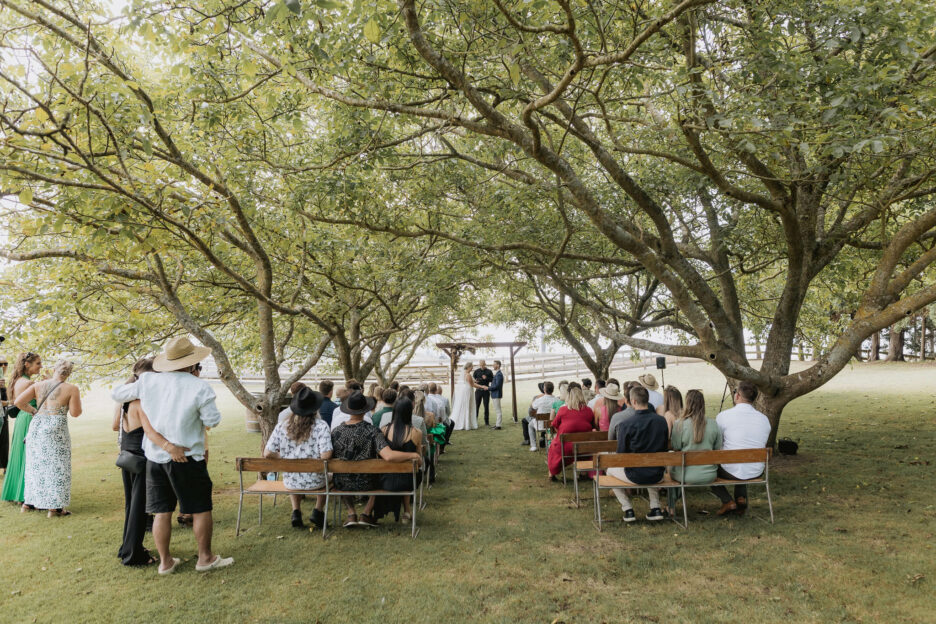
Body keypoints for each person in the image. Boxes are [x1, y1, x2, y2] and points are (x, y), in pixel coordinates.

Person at [111, 336, 232, 575]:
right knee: (200, 508)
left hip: (156, 457)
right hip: (188, 457)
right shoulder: (199, 387)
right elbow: (212, 421)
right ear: (191, 363)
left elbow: (117, 394)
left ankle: (166, 562)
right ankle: (205, 558)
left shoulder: (148, 381)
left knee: (161, 511)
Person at [330, 391, 421, 527]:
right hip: (368, 482)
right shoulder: (373, 431)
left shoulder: (336, 431)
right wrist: (413, 455)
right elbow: (388, 456)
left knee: (342, 474)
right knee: (380, 476)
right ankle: (366, 513)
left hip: (342, 483)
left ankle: (351, 513)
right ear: (365, 410)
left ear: (349, 410)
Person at [15, 359, 82, 517]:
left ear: (54, 369)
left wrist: (34, 411)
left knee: (35, 466)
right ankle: (55, 509)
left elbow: (18, 402)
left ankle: (28, 504)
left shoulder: (38, 385)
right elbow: (75, 413)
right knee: (58, 467)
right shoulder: (71, 389)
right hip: (56, 429)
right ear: (69, 373)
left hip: (37, 426)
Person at [263, 386, 333, 529]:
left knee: (292, 474)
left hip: (291, 482)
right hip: (316, 481)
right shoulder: (321, 426)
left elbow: (268, 453)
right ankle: (318, 510)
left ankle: (296, 511)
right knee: (329, 475)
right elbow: (326, 455)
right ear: (315, 409)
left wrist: (284, 456)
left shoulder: (281, 426)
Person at [113, 357, 157, 566]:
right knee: (139, 508)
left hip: (126, 454)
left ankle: (127, 547)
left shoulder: (124, 402)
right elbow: (150, 430)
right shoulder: (140, 403)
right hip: (141, 457)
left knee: (131, 505)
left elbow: (116, 426)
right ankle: (133, 555)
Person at [608, 386, 669, 522]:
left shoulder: (626, 424)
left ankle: (627, 508)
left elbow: (621, 454)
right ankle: (655, 507)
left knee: (609, 471)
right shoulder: (661, 421)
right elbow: (664, 447)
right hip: (657, 474)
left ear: (633, 401)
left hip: (635, 475)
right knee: (651, 465)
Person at [710, 381, 771, 516]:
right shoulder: (764, 419)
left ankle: (727, 501)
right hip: (757, 469)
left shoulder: (723, 416)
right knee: (741, 461)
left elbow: (718, 443)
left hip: (731, 468)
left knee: (708, 470)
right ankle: (740, 497)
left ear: (737, 396)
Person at [666, 389, 722, 516]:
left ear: (687, 404)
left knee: (671, 468)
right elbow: (718, 448)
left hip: (685, 474)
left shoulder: (679, 424)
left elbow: (675, 447)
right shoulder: (714, 424)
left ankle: (671, 507)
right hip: (709, 474)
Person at [1, 351, 42, 506]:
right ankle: (26, 494)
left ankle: (17, 493)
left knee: (19, 455)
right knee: (29, 456)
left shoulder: (18, 380)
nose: (41, 366)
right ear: (27, 364)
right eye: (38, 363)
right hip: (28, 418)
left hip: (20, 419)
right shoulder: (28, 383)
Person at [375, 398, 423, 522]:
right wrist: (415, 456)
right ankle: (407, 511)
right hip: (407, 481)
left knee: (405, 472)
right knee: (411, 472)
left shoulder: (384, 430)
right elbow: (419, 461)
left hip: (385, 479)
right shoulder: (416, 433)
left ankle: (405, 510)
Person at [547, 386, 595, 478]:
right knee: (583, 446)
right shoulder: (588, 410)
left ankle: (552, 473)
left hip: (565, 447)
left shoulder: (563, 410)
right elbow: (592, 426)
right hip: (583, 447)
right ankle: (583, 472)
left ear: (569, 397)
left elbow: (555, 424)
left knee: (554, 448)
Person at [452, 362, 485, 431]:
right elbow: (472, 385)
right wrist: (482, 386)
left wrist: (476, 382)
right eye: (472, 367)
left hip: (465, 390)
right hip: (468, 391)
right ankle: (466, 424)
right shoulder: (468, 375)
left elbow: (471, 382)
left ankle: (464, 422)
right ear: (469, 367)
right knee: (468, 406)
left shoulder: (464, 373)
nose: (472, 368)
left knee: (465, 406)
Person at [527, 381, 555, 452]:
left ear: (544, 390)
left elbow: (532, 406)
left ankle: (533, 446)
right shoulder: (556, 400)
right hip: (552, 425)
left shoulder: (539, 400)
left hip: (540, 425)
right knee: (548, 429)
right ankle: (549, 443)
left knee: (530, 425)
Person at [473, 360, 494, 426]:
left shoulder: (489, 371)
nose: (481, 366)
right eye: (480, 365)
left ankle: (487, 422)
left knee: (486, 406)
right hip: (478, 391)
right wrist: (476, 381)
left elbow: (492, 380)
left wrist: (486, 378)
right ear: (479, 364)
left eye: (483, 365)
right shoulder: (476, 371)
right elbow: (474, 380)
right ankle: (475, 421)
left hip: (486, 391)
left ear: (485, 364)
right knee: (476, 406)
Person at [489, 361, 505, 429]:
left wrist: (488, 388)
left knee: (498, 410)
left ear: (498, 365)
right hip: (495, 394)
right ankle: (497, 424)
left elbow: (497, 386)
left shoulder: (499, 374)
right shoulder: (497, 373)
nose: (493, 365)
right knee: (497, 410)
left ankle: (498, 425)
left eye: (494, 364)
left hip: (496, 394)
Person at [0, 357, 9, 473]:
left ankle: (5, 467)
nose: (3, 366)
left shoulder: (4, 379)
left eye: (5, 364)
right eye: (0, 364)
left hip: (3, 415)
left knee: (4, 441)